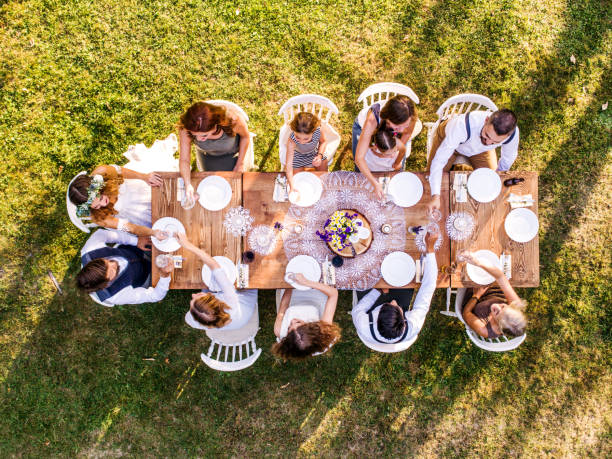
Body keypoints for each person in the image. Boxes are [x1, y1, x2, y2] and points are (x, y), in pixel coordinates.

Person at [351, 229, 438, 346]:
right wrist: (430, 249)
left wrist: (376, 292)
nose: (393, 301)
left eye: (387, 305)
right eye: (396, 307)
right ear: (404, 322)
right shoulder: (413, 324)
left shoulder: (363, 324)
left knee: (362, 273)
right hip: (395, 310)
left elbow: (357, 310)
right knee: (407, 273)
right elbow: (428, 286)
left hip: (372, 304)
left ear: (377, 319)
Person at [426, 109, 519, 212]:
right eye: (487, 135)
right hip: (449, 142)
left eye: (495, 142)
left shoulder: (510, 136)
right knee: (430, 180)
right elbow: (439, 161)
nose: (488, 142)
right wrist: (435, 196)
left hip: (480, 151)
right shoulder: (460, 126)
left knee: (489, 185)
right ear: (486, 120)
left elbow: (508, 157)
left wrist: (497, 174)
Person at [177, 233, 257, 331]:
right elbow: (214, 266)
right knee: (246, 270)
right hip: (245, 294)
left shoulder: (192, 319)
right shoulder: (232, 302)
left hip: (226, 311)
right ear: (215, 300)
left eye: (192, 302)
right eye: (197, 298)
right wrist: (188, 245)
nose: (193, 294)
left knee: (206, 281)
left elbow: (189, 319)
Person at [69, 165, 168, 239]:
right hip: (134, 215)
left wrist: (144, 177)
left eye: (100, 198)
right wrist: (153, 233)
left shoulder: (103, 172)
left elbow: (122, 172)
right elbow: (129, 227)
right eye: (96, 206)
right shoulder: (98, 218)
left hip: (136, 191)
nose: (104, 204)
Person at [77, 229, 173, 305]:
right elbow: (155, 296)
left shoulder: (90, 249)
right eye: (112, 271)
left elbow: (104, 234)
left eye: (107, 261)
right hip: (145, 276)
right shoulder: (115, 296)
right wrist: (164, 276)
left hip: (134, 249)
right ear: (105, 285)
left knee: (168, 240)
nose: (115, 263)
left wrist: (136, 241)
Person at [178, 101, 250, 201]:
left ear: (216, 124)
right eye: (194, 135)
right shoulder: (185, 129)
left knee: (236, 187)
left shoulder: (232, 121)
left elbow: (245, 137)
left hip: (234, 154)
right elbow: (184, 160)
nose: (198, 139)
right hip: (208, 156)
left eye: (204, 135)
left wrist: (240, 164)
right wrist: (188, 184)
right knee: (211, 185)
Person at [353, 94, 421, 199]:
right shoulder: (372, 121)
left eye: (405, 125)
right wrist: (375, 183)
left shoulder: (409, 117)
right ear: (387, 119)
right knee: (361, 171)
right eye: (398, 126)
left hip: (387, 131)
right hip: (363, 128)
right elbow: (359, 158)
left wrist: (393, 150)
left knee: (397, 168)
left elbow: (406, 134)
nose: (402, 130)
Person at [459, 251, 527, 339]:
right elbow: (500, 277)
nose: (497, 306)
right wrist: (478, 263)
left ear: (500, 327)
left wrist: (477, 295)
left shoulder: (485, 330)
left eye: (497, 313)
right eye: (503, 306)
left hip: (474, 295)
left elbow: (466, 313)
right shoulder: (515, 307)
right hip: (493, 284)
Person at [272, 274, 340, 360]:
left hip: (293, 295)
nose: (292, 321)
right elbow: (333, 294)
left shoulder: (279, 331)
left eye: (289, 327)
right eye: (298, 322)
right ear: (312, 327)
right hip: (319, 292)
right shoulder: (323, 330)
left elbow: (283, 308)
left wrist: (291, 285)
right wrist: (307, 282)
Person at [284, 112, 330, 195]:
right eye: (298, 137)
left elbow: (323, 142)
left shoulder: (318, 131)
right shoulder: (291, 140)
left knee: (323, 172)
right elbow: (288, 165)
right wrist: (291, 186)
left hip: (314, 153)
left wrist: (319, 156)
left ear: (313, 131)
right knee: (298, 180)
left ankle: (322, 187)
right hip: (298, 155)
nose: (301, 142)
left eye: (306, 139)